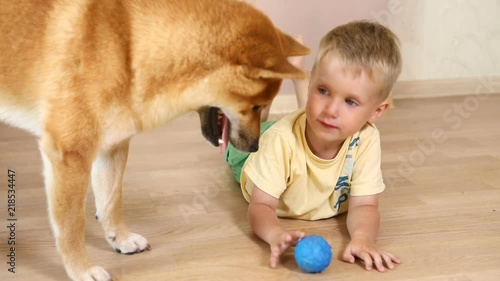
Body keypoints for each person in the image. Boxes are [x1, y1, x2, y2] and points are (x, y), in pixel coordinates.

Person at [225, 20, 402, 272]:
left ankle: (294, 72)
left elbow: (365, 205)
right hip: (258, 155)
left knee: (315, 119)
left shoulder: (366, 140)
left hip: (301, 131)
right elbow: (261, 206)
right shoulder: (279, 141)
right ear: (312, 83)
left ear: (376, 111)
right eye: (322, 89)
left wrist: (363, 238)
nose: (331, 110)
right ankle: (268, 85)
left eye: (350, 101)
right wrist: (276, 234)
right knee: (246, 135)